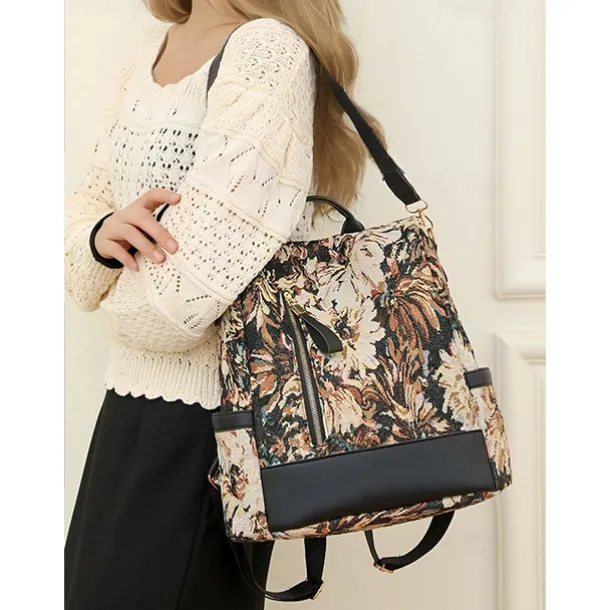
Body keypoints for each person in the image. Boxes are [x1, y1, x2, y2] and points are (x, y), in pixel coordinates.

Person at [64, 0, 385, 608]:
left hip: (211, 429)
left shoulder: (266, 49)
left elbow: (179, 309)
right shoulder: (148, 51)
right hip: (125, 409)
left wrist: (108, 281)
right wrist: (100, 236)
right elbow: (78, 251)